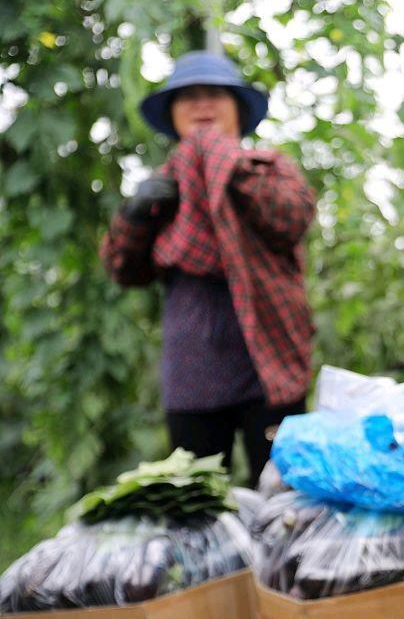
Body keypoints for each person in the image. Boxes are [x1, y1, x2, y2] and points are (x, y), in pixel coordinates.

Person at [101, 51, 316, 487]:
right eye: (189, 97)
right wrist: (137, 214)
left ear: (237, 108)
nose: (202, 105)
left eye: (215, 94)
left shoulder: (268, 169)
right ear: (173, 115)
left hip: (268, 362)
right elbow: (122, 267)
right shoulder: (162, 188)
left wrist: (230, 168)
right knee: (198, 501)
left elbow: (293, 217)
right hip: (193, 370)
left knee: (287, 495)